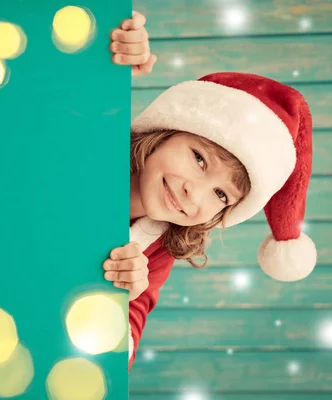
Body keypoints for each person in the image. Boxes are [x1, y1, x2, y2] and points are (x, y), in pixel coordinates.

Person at [107, 12, 318, 370]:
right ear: (165, 131)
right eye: (199, 159)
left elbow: (125, 342)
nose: (194, 193)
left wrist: (119, 301)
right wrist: (106, 66)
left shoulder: (157, 249)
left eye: (221, 195)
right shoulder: (94, 149)